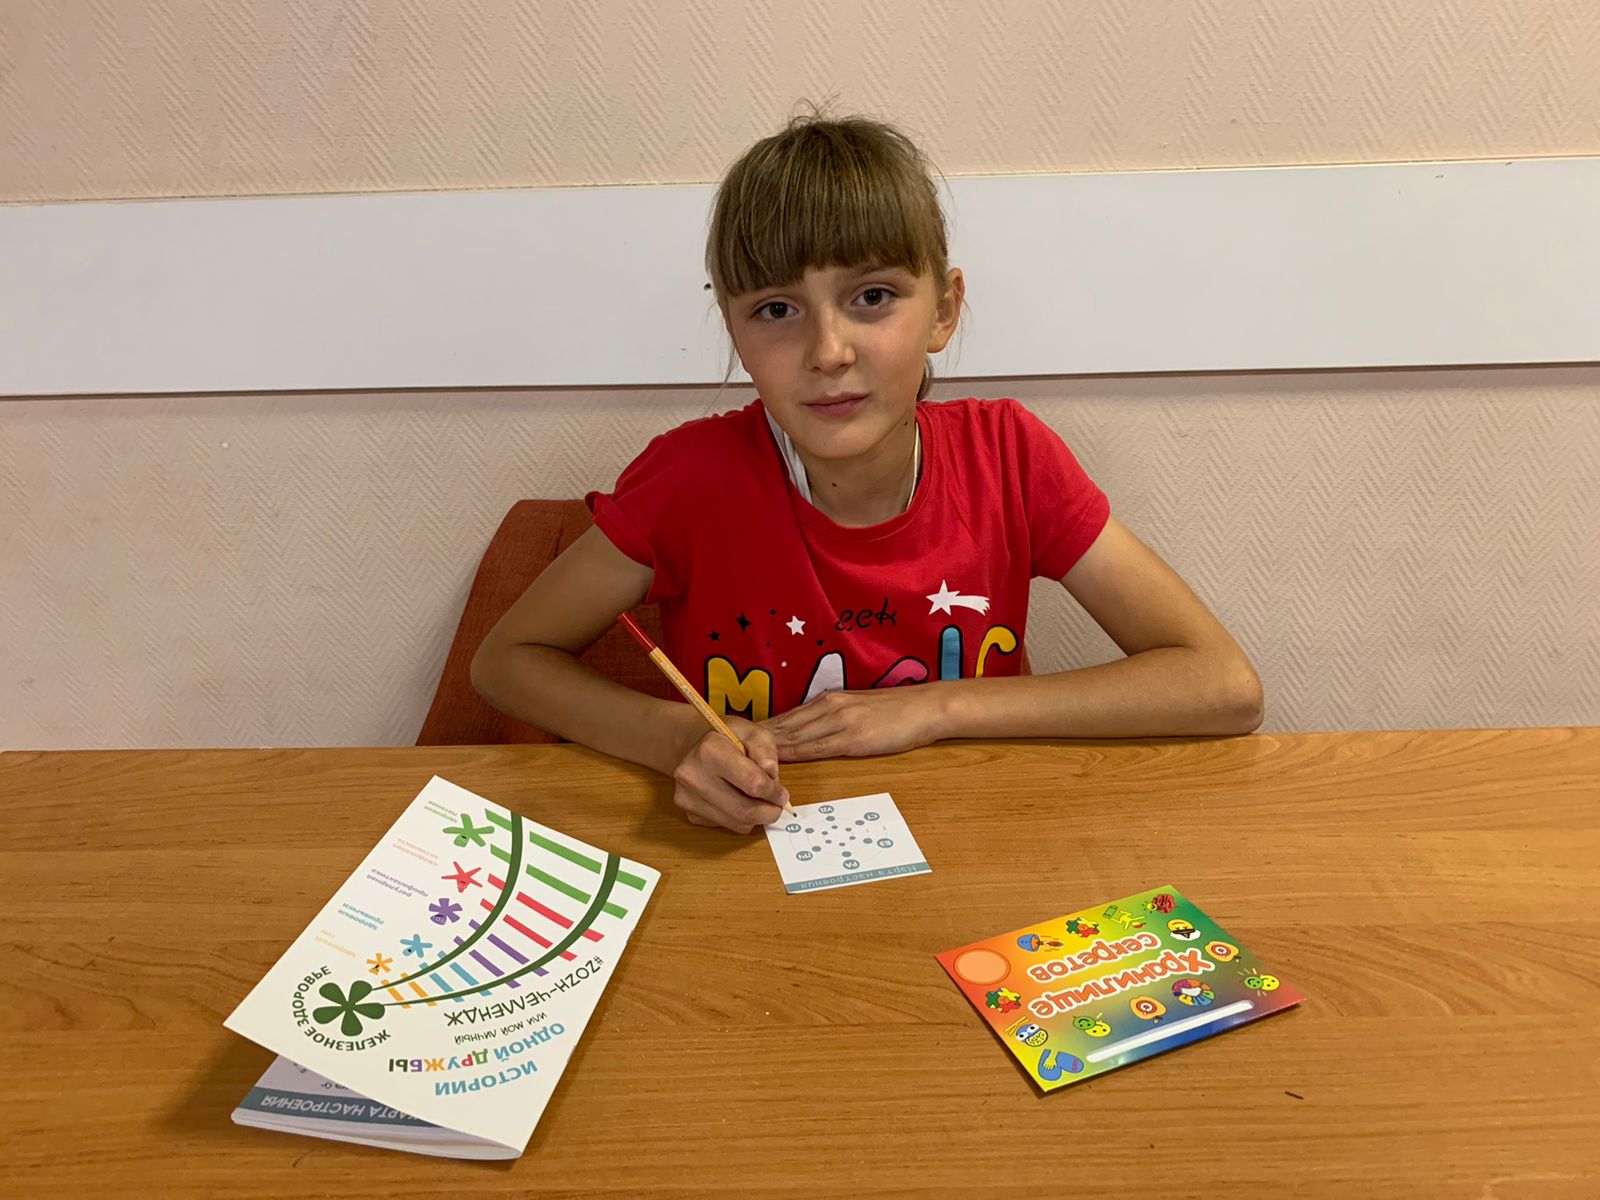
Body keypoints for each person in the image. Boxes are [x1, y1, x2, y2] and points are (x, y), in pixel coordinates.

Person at [471, 111, 1262, 834]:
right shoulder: (689, 479)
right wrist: (678, 739)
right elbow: (507, 661)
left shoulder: (1009, 456)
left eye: (873, 296)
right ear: (735, 334)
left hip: (981, 841)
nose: (828, 352)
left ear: (944, 311)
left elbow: (1222, 685)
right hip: (753, 854)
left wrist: (938, 707)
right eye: (776, 310)